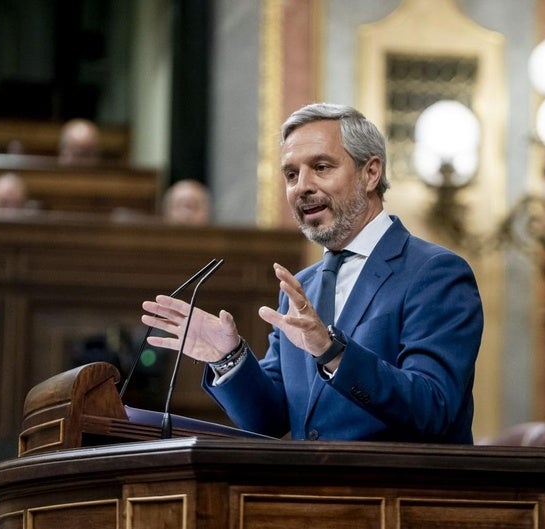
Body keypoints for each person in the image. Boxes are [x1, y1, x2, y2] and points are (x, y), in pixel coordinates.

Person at [141, 103, 483, 443]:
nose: (302, 186)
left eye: (321, 167)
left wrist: (332, 352)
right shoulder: (302, 285)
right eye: (291, 175)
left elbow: (433, 408)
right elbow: (269, 420)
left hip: (400, 493)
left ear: (371, 173)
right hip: (308, 492)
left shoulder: (435, 272)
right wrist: (228, 358)